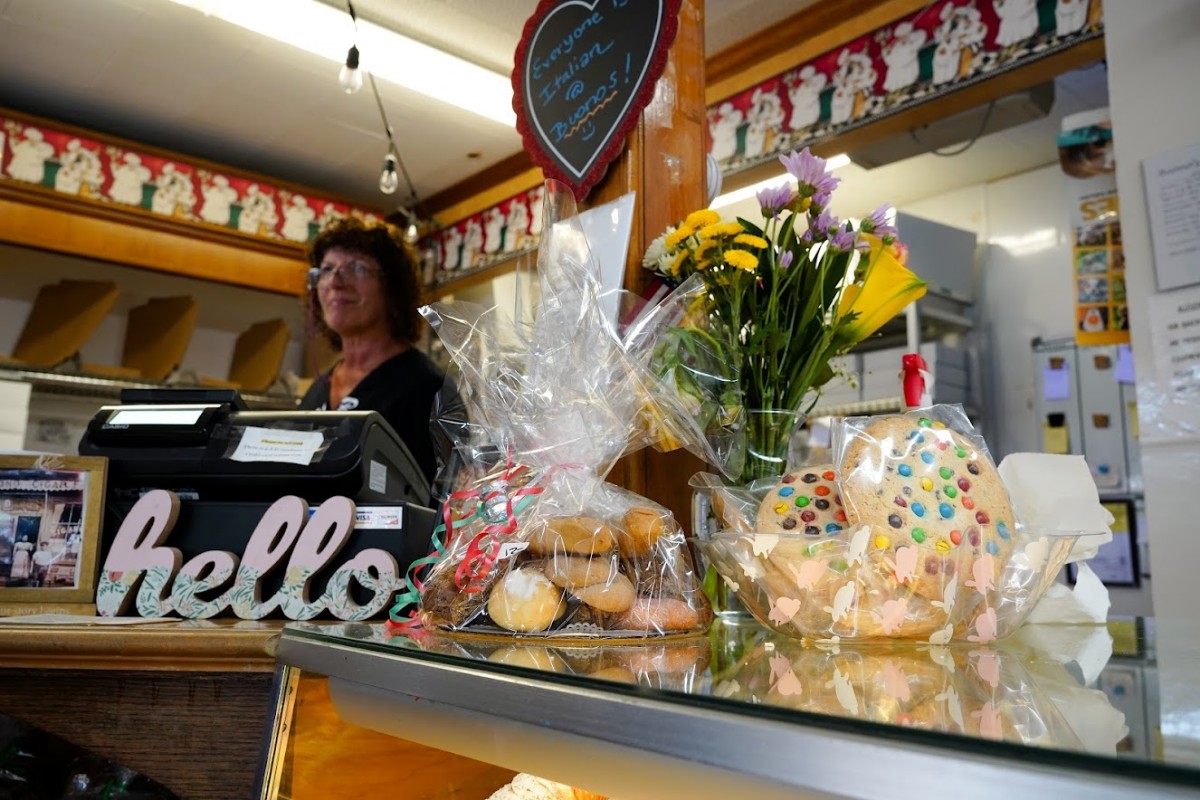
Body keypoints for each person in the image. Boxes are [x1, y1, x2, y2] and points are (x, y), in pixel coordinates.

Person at [301, 217, 461, 492]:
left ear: (392, 287)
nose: (335, 282)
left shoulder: (426, 387)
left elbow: (444, 504)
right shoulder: (318, 390)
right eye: (326, 269)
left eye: (356, 268)